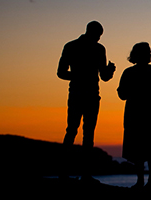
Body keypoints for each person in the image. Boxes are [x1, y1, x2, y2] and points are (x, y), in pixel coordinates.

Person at [57, 21, 116, 182]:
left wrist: (109, 71)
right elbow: (61, 72)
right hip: (83, 94)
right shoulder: (90, 48)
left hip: (84, 94)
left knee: (78, 132)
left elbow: (103, 76)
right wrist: (80, 76)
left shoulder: (79, 47)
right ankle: (75, 174)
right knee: (79, 133)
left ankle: (77, 174)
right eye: (98, 35)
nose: (98, 38)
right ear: (91, 32)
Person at [117, 42, 151, 189]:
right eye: (147, 52)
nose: (150, 54)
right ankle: (148, 180)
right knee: (148, 149)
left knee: (143, 149)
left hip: (144, 115)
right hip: (146, 115)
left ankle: (146, 180)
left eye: (150, 52)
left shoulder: (130, 73)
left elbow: (122, 94)